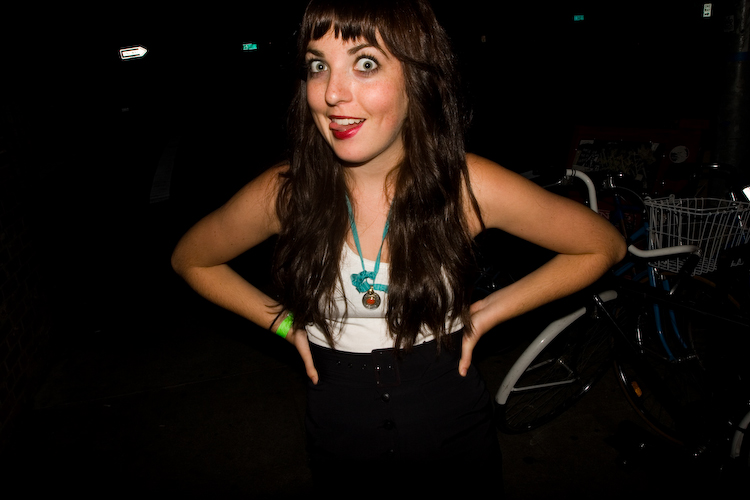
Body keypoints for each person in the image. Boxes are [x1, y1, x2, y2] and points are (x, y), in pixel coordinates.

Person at [171, 0, 626, 494]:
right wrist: (284, 324)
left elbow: (601, 245)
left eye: (365, 63)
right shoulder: (287, 193)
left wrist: (490, 312)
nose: (332, 93)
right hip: (339, 425)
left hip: (450, 417)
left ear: (418, 80)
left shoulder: (463, 186)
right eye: (318, 66)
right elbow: (192, 258)